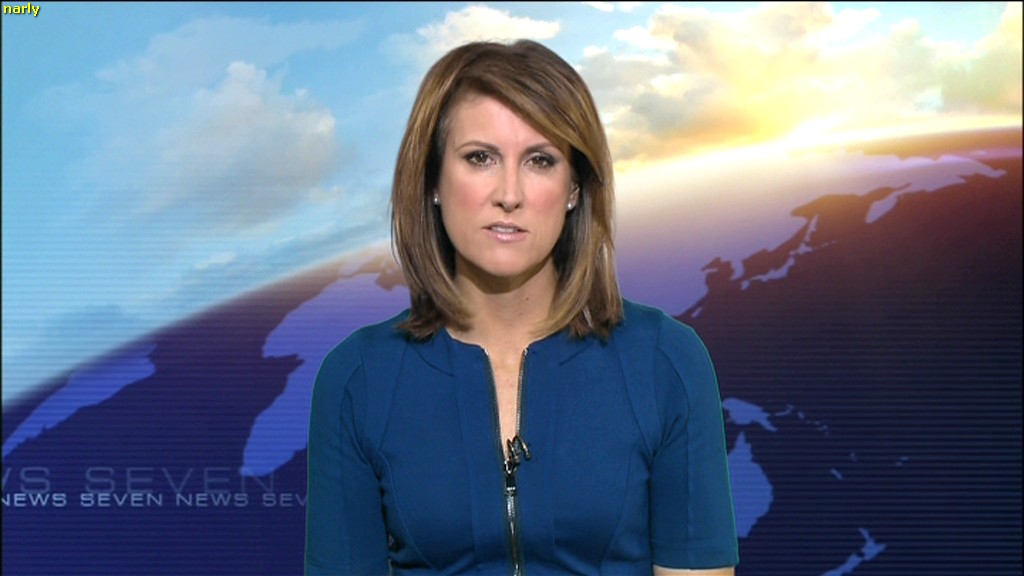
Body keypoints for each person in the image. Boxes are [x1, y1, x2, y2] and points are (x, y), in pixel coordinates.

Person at [305, 39, 739, 575]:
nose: (508, 193)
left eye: (539, 160)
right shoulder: (358, 379)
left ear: (574, 188)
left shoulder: (665, 362)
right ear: (433, 180)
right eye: (480, 158)